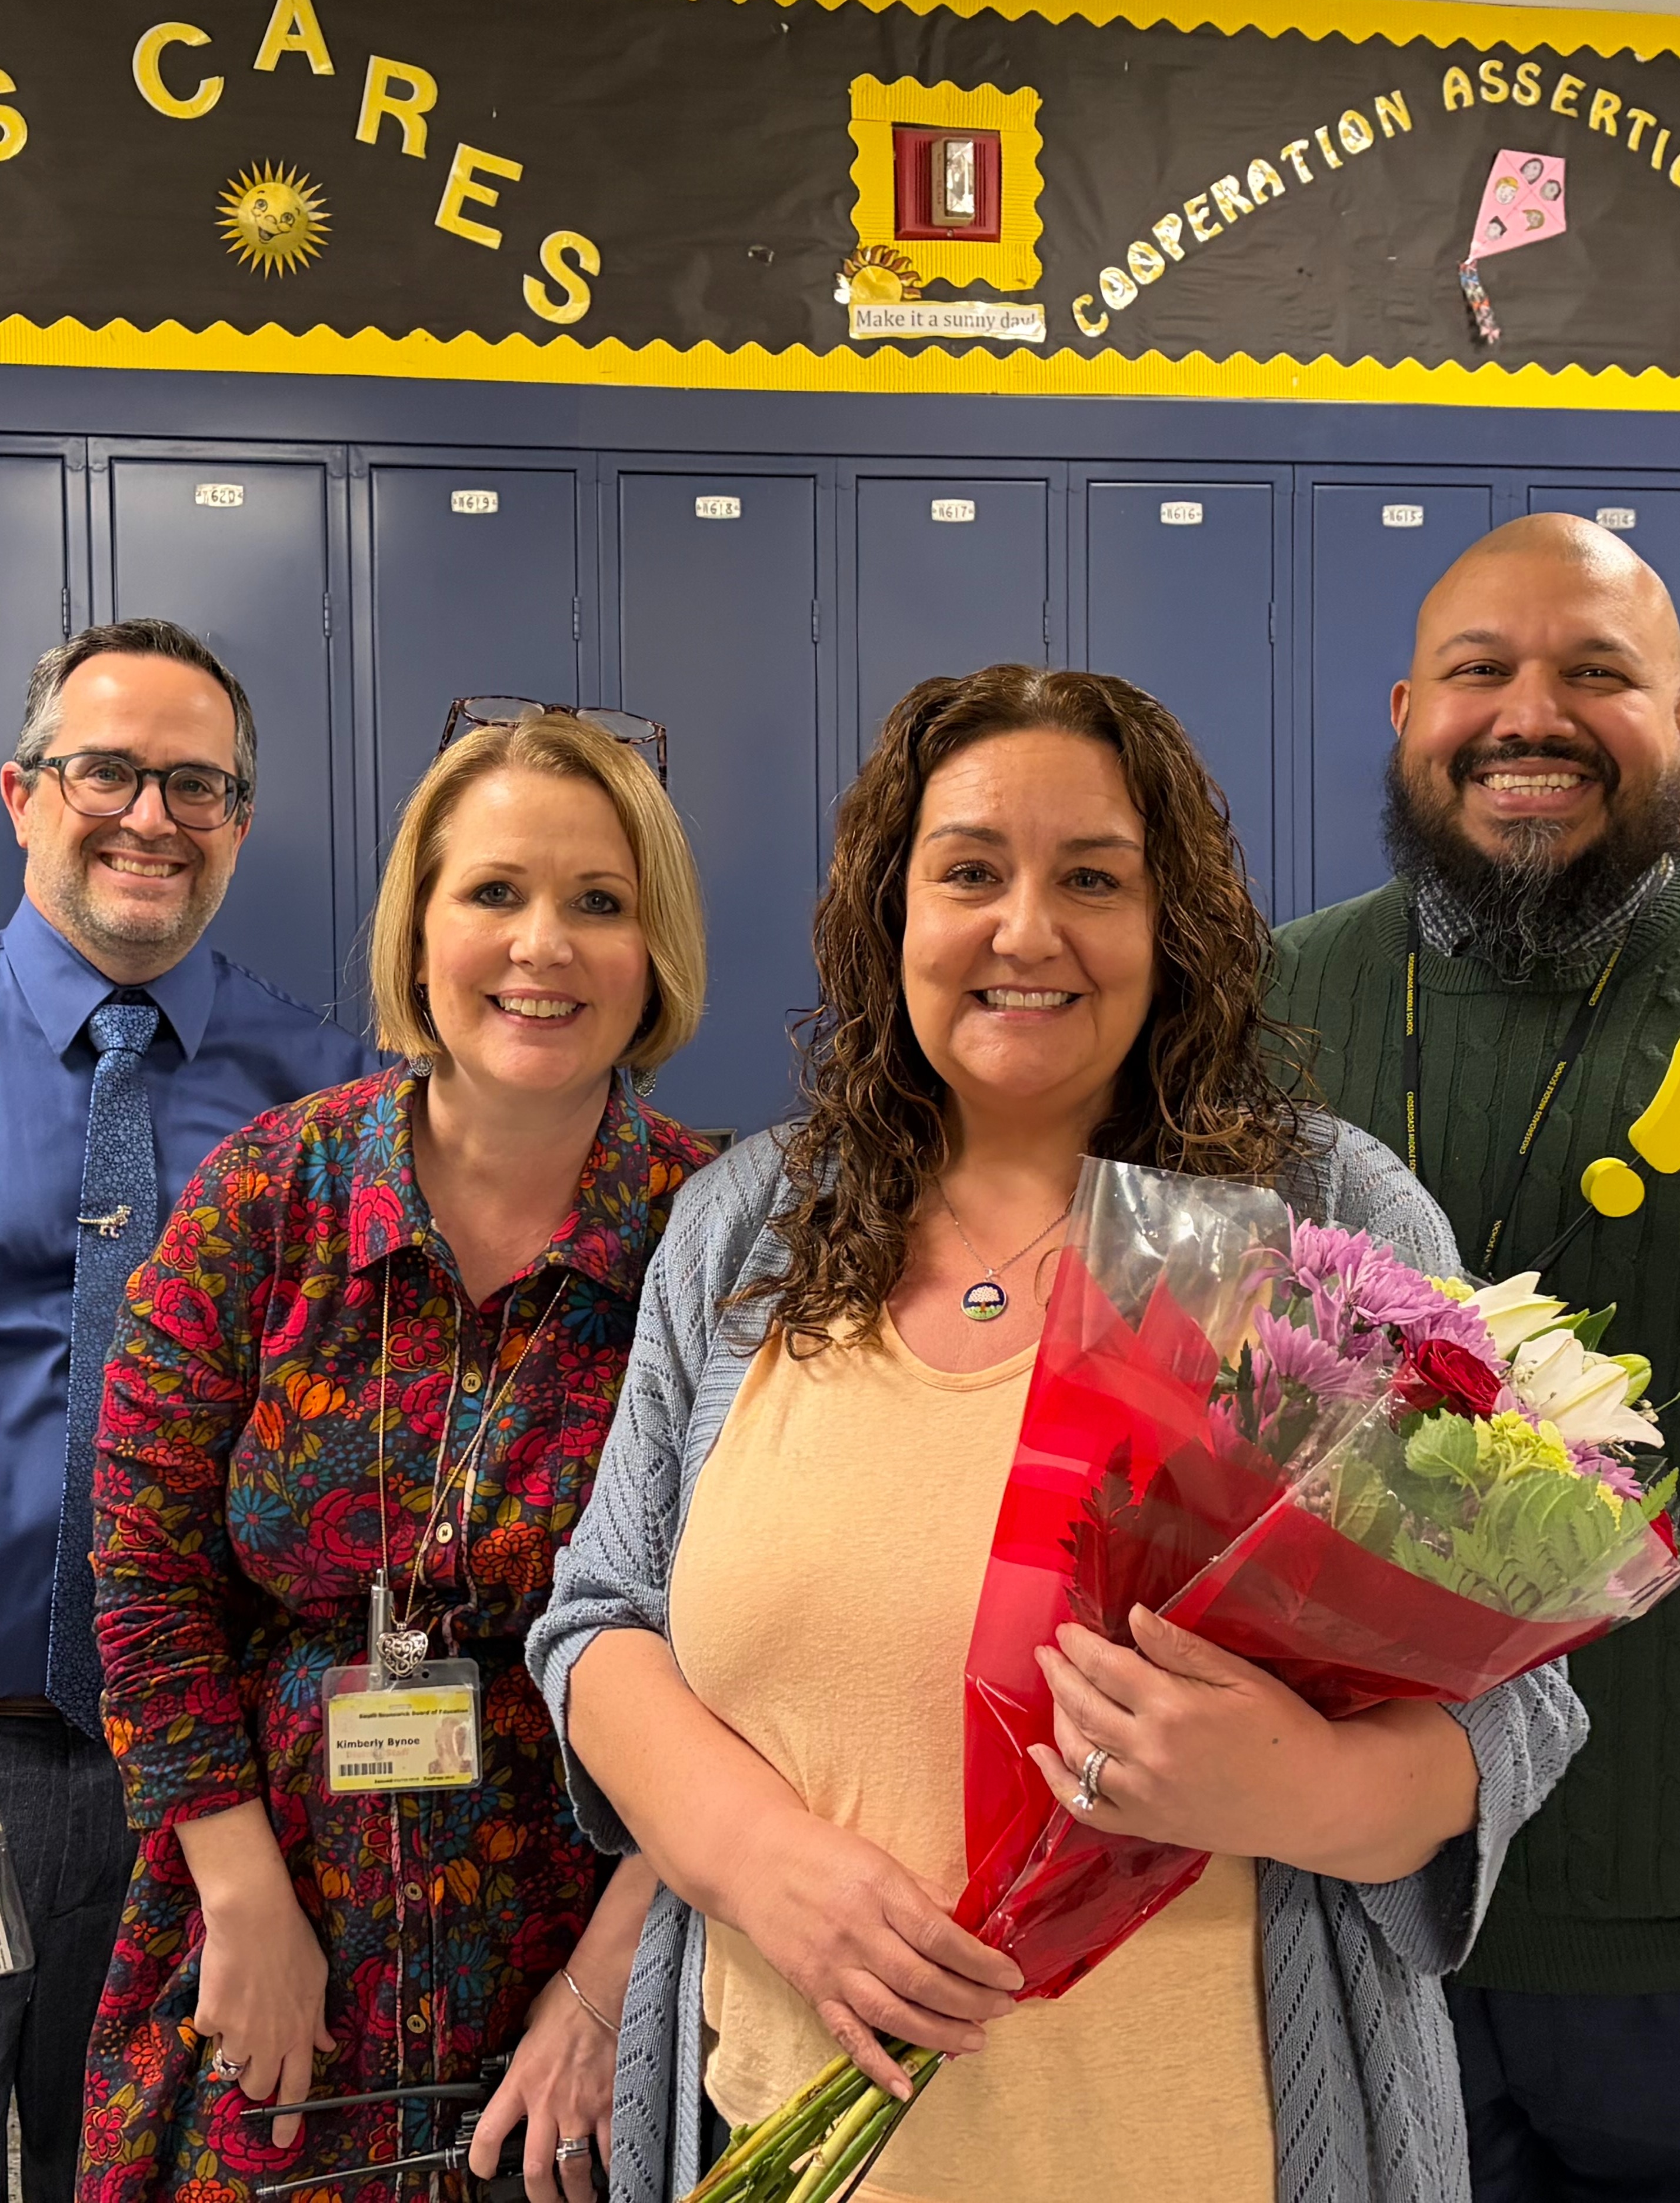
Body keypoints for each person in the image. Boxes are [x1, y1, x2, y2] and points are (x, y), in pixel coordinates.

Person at [528, 664, 1585, 2203]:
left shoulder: (1322, 1220)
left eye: (1093, 876)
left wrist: (1295, 1785)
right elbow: (600, 1621)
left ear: (1175, 924)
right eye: (970, 871)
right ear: (894, 913)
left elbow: (1525, 1692)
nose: (1026, 930)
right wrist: (753, 1857)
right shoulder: (746, 1225)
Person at [79, 712, 712, 2203]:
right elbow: (144, 1573)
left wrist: (606, 1988)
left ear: (656, 946)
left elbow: (765, 1649)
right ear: (419, 925)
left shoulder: (727, 1236)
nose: (541, 947)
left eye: (599, 902)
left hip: (595, 1935)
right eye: (493, 892)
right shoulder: (270, 1194)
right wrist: (239, 1903)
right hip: (274, 1923)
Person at [1268, 511, 1680, 2201]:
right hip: (1354, 1883)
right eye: (1480, 671)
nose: (1533, 714)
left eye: (1599, 673)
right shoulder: (1269, 998)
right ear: (1401, 709)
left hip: (1655, 1890)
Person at [0, 619, 377, 2203]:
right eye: (107, 771)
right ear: (22, 792)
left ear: (238, 819)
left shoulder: (335, 1098)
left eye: (198, 785)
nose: (150, 815)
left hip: (203, 1784)